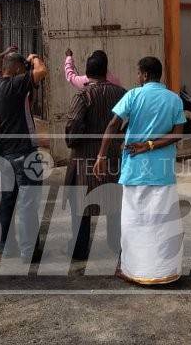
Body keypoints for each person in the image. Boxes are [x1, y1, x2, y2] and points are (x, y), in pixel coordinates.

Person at [94, 56, 186, 285]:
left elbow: (114, 124)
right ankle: (165, 272)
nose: (137, 77)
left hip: (136, 168)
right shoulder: (174, 99)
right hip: (163, 170)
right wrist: (151, 144)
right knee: (162, 223)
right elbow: (177, 134)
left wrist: (101, 155)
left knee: (135, 223)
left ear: (144, 75)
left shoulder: (134, 95)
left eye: (138, 73)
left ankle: (134, 270)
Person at [65, 51, 126, 261]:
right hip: (113, 157)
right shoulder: (122, 93)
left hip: (84, 159)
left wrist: (73, 142)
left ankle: (80, 250)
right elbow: (127, 122)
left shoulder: (83, 95)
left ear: (88, 72)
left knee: (80, 205)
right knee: (115, 203)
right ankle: (116, 245)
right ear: (105, 70)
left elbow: (73, 125)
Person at [0, 52, 47, 261]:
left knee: (8, 201)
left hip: (5, 152)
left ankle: (7, 247)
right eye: (22, 67)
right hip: (22, 153)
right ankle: (28, 251)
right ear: (16, 68)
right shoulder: (14, 85)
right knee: (28, 203)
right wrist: (34, 59)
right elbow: (41, 71)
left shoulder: (0, 87)